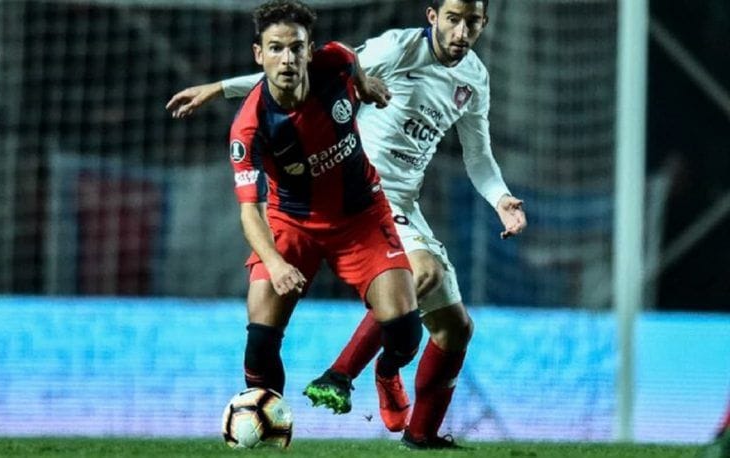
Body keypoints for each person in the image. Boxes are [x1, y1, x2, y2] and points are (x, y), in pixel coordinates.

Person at [167, 0, 527, 449]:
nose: (461, 31)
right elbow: (290, 77)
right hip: (334, 202)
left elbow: (477, 154)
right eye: (453, 18)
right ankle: (336, 378)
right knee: (421, 276)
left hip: (387, 202)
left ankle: (419, 431)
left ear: (483, 24)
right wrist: (221, 88)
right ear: (432, 16)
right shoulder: (396, 48)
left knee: (456, 328)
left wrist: (501, 199)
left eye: (471, 21)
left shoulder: (474, 77)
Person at [222, 0, 423, 421]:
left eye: (296, 47)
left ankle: (386, 372)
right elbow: (250, 213)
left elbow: (350, 58)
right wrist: (275, 264)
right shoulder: (250, 127)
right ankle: (269, 425)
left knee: (405, 332)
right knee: (259, 343)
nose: (287, 58)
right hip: (292, 222)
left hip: (362, 216)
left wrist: (365, 85)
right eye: (275, 48)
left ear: (310, 50)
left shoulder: (334, 62)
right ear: (259, 54)